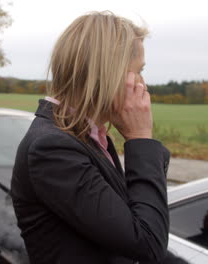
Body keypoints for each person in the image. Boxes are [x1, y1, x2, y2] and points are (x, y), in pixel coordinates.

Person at [11, 11, 171, 264]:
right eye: (138, 71)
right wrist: (141, 138)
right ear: (109, 73)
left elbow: (128, 219)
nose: (142, 84)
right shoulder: (52, 149)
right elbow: (147, 242)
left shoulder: (88, 137)